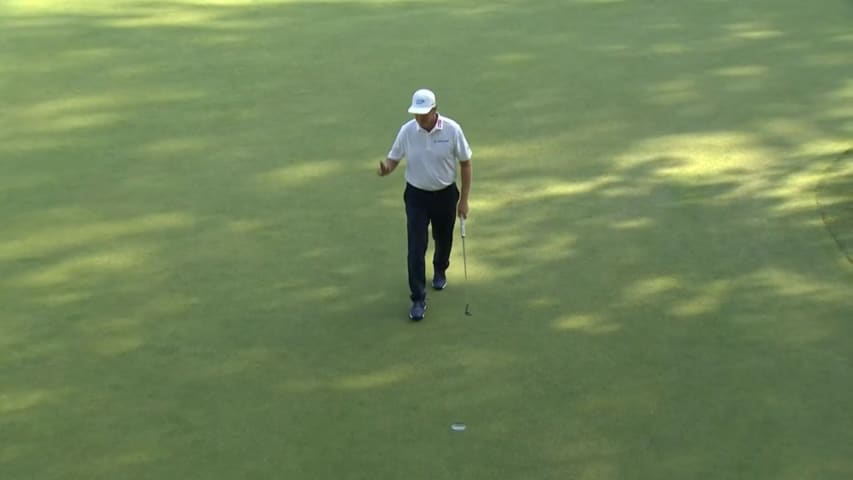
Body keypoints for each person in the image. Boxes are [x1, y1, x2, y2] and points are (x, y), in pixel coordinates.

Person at [377, 88, 473, 321]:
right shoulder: (408, 131)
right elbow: (394, 157)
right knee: (415, 247)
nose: (419, 119)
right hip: (416, 196)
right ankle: (418, 298)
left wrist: (464, 200)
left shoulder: (452, 129)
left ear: (434, 110)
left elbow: (466, 163)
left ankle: (440, 269)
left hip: (445, 195)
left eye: (423, 114)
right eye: (415, 114)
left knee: (443, 238)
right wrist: (387, 168)